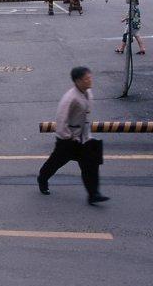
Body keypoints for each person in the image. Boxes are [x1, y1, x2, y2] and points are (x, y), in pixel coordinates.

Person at [37, 66, 109, 205]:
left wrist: (86, 136)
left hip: (83, 138)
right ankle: (42, 178)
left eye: (90, 77)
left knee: (90, 164)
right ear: (78, 81)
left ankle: (93, 194)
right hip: (68, 140)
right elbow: (61, 120)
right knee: (55, 162)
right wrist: (68, 137)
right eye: (86, 79)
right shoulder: (70, 98)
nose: (90, 80)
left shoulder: (87, 92)